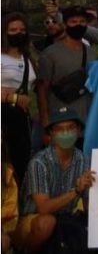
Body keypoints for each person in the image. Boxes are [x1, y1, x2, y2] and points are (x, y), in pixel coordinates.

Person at [13, 107, 95, 253]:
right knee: (47, 223)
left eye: (71, 127)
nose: (66, 133)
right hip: (32, 220)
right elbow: (43, 209)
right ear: (51, 133)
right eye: (59, 129)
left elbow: (89, 205)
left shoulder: (85, 160)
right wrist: (76, 191)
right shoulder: (39, 162)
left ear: (79, 131)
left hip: (65, 220)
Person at [36, 5, 98, 144]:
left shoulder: (92, 53)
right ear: (65, 24)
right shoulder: (50, 54)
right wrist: (46, 124)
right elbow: (42, 90)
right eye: (73, 22)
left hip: (85, 124)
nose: (78, 25)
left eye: (82, 21)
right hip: (60, 123)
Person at [2, 13, 36, 184]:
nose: (18, 33)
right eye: (13, 30)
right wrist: (12, 97)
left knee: (20, 165)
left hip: (21, 119)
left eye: (22, 30)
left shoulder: (27, 57)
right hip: (3, 116)